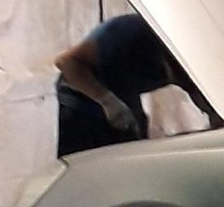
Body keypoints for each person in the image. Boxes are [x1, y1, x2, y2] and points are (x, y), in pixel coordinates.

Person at [53, 10, 179, 156]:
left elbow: (194, 91)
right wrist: (107, 100)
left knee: (135, 149)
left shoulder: (187, 58)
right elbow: (66, 62)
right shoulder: (125, 34)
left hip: (123, 91)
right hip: (82, 99)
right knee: (88, 160)